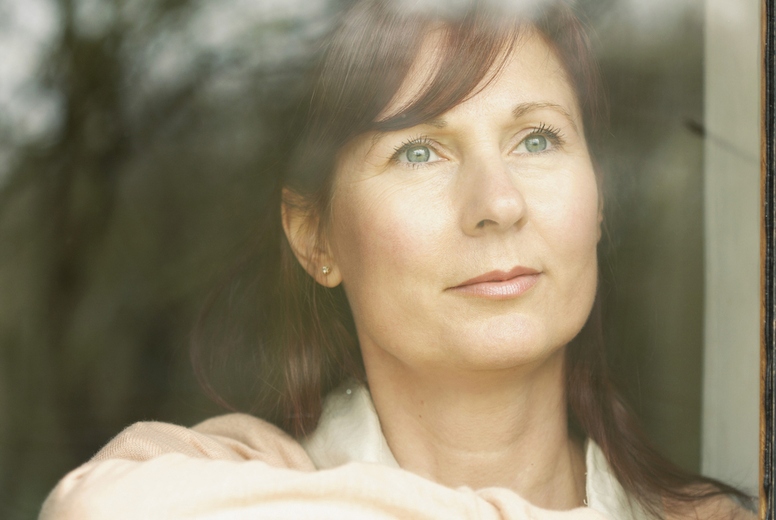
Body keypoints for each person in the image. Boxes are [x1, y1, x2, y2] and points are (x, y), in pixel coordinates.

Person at [39, 0, 754, 518]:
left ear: (598, 202)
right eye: (419, 151)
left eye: (537, 139)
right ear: (314, 237)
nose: (498, 204)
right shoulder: (222, 481)